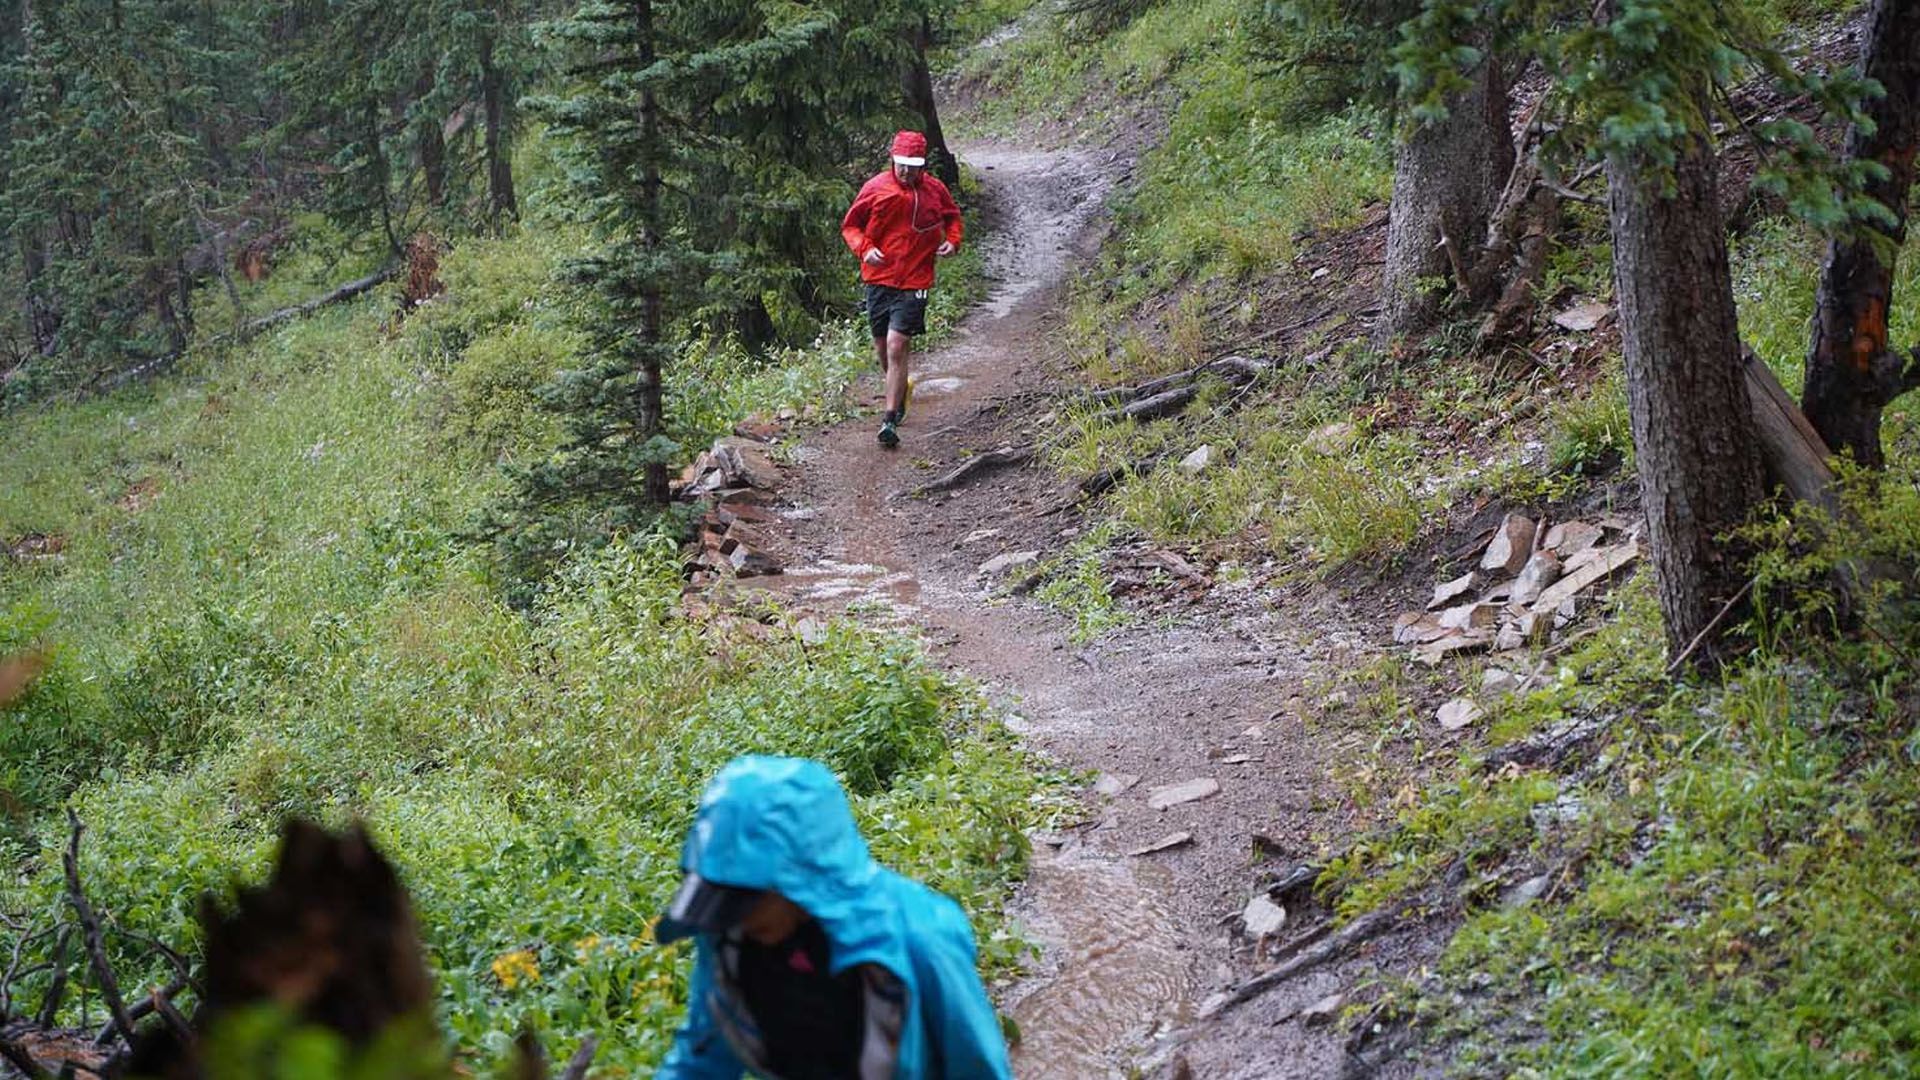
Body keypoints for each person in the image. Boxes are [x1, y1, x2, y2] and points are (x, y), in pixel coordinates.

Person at [654, 755, 1013, 1079]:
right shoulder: (728, 942)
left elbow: (977, 1067)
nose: (739, 920)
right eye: (723, 901)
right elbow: (700, 1060)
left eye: (747, 901)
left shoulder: (920, 938)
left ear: (801, 879)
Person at [841, 131, 964, 449]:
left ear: (923, 164)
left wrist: (953, 241)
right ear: (892, 160)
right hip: (879, 278)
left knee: (897, 346)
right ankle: (901, 387)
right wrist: (864, 248)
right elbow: (851, 226)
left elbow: (952, 217)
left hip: (915, 279)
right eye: (902, 165)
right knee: (883, 348)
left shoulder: (935, 190)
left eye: (913, 166)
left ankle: (889, 420)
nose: (907, 172)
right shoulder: (876, 188)